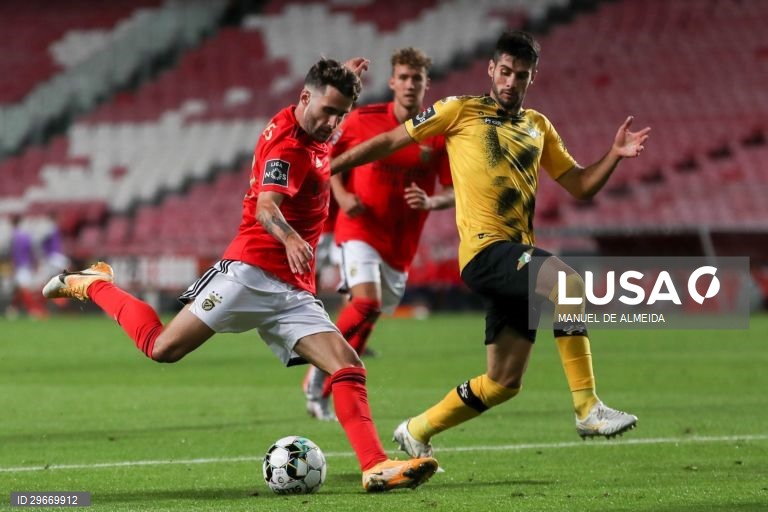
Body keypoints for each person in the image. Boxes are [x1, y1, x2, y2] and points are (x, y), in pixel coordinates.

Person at [42, 58, 438, 492]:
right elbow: (268, 205)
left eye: (342, 113)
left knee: (347, 365)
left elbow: (324, 100)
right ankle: (95, 283)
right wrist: (288, 238)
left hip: (292, 289)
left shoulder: (314, 117)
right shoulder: (289, 147)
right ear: (305, 98)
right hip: (250, 273)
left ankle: (376, 465)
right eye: (328, 111)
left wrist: (341, 80)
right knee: (162, 348)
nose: (334, 123)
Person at [330, 31, 651, 460]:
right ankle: (587, 407)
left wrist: (613, 155)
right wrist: (329, 165)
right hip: (485, 251)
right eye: (504, 71)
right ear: (490, 69)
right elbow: (392, 140)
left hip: (514, 256)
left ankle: (416, 429)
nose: (510, 81)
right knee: (567, 284)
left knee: (502, 382)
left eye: (521, 75)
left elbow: (579, 185)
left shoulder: (538, 127)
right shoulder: (459, 110)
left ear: (531, 78)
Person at [303, 47, 455, 421]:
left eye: (416, 79)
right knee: (366, 304)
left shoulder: (437, 134)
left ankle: (323, 388)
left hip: (400, 243)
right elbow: (329, 157)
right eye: (402, 77)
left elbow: (455, 189)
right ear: (391, 82)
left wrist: (432, 202)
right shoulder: (363, 120)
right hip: (358, 228)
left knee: (368, 315)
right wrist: (342, 195)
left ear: (425, 85)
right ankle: (320, 370)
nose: (408, 84)